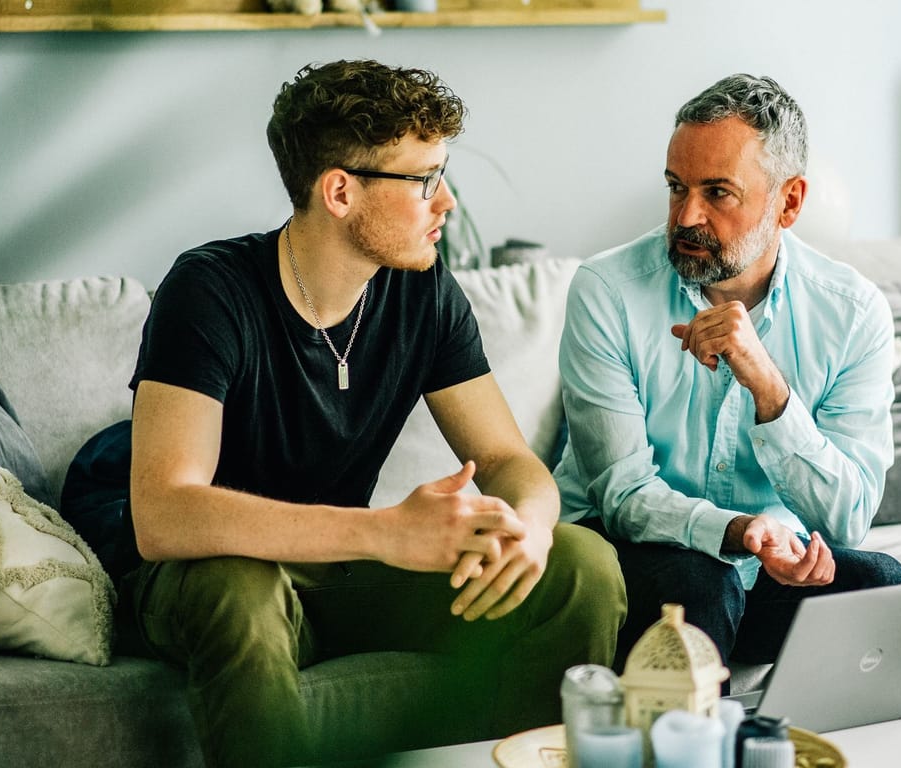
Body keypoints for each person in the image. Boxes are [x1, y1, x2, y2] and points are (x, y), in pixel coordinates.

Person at [122, 59, 626, 768]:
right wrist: (386, 533)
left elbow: (511, 461)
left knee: (583, 564)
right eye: (423, 181)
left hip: (347, 576)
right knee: (238, 584)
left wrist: (532, 529)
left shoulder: (423, 294)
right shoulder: (209, 292)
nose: (445, 202)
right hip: (214, 578)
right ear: (339, 191)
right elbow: (163, 514)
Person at [553, 73, 901, 671]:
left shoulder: (852, 312)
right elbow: (622, 494)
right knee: (702, 582)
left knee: (880, 584)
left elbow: (848, 518)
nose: (686, 215)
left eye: (718, 192)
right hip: (631, 552)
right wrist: (741, 531)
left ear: (788, 202)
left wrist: (769, 387)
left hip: (764, 559)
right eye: (676, 187)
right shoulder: (607, 290)